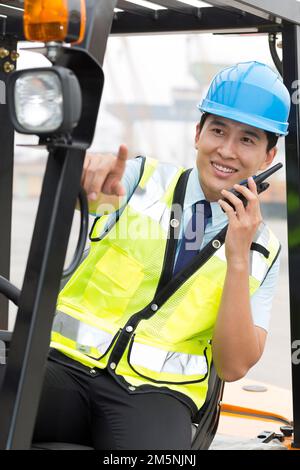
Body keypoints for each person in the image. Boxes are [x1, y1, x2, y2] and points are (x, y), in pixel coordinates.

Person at [33, 61, 290, 450]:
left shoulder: (262, 250)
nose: (226, 150)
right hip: (63, 367)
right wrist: (86, 179)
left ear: (269, 156)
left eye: (247, 140)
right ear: (197, 133)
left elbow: (233, 365)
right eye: (218, 130)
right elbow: (94, 197)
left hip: (156, 396)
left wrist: (237, 257)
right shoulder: (139, 179)